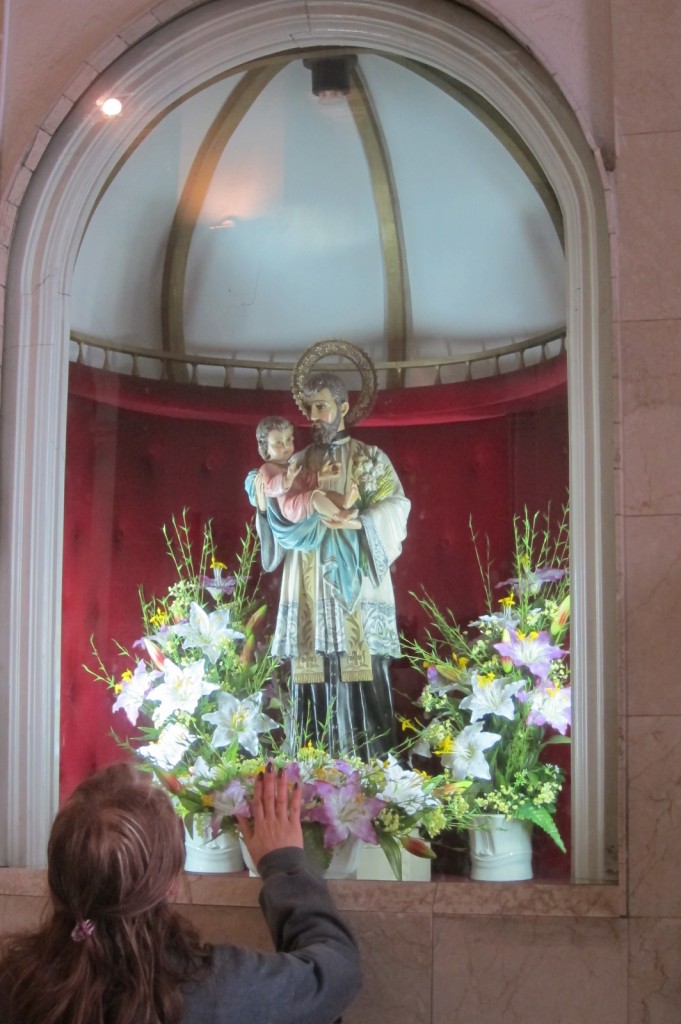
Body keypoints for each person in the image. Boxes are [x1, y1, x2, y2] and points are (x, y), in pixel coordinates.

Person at [0, 762, 362, 1024]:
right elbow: (336, 973)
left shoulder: (15, 984)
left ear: (57, 877)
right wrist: (284, 865)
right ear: (171, 882)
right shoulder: (221, 988)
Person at [246, 372, 410, 761]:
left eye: (322, 406)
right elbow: (278, 518)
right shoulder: (295, 464)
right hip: (308, 581)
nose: (314, 416)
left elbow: (398, 507)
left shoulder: (371, 458)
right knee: (311, 675)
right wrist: (261, 504)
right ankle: (310, 769)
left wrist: (360, 521)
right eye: (309, 409)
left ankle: (374, 770)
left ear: (344, 408)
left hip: (357, 582)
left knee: (363, 671)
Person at [250, 415, 359, 526]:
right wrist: (287, 479)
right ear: (265, 447)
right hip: (291, 507)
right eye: (278, 443)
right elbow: (269, 488)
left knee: (323, 492)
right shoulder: (267, 468)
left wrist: (320, 475)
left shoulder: (290, 465)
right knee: (315, 497)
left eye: (288, 440)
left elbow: (305, 479)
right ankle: (339, 514)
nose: (286, 446)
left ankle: (343, 502)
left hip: (302, 498)